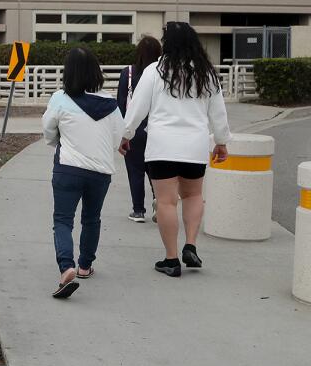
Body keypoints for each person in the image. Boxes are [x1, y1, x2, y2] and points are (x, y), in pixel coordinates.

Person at [120, 22, 230, 278]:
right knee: (193, 196)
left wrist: (125, 135)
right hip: (195, 146)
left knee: (167, 202)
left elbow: (137, 108)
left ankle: (171, 260)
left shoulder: (154, 71)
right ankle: (190, 245)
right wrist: (222, 141)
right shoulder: (206, 73)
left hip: (162, 146)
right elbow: (218, 112)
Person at [42, 47, 125, 298]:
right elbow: (117, 137)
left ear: (69, 72)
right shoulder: (110, 103)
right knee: (91, 218)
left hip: (68, 168)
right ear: (95, 72)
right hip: (100, 171)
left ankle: (66, 267)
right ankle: (85, 266)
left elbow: (48, 129)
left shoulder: (60, 98)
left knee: (63, 220)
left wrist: (59, 139)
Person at [116, 36, 162, 223]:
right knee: (156, 170)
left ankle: (138, 210)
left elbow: (120, 104)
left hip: (134, 129)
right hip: (157, 129)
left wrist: (121, 132)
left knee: (135, 170)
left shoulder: (128, 73)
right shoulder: (162, 74)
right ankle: (159, 202)